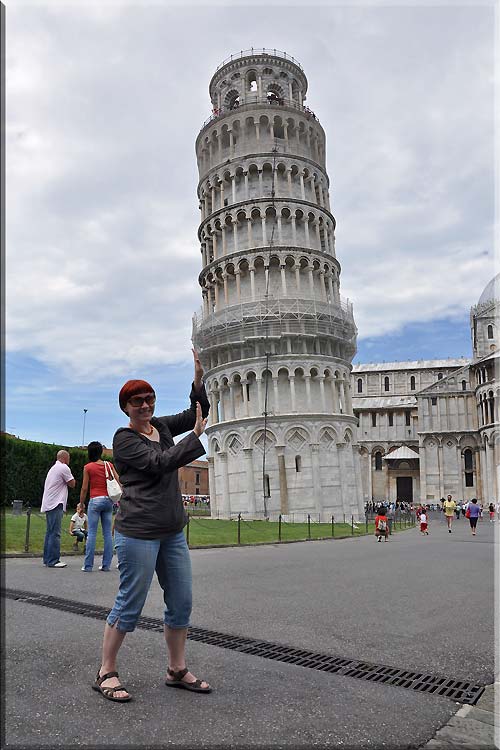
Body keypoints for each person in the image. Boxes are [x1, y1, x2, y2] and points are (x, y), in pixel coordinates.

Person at [92, 349, 211, 703]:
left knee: (181, 602)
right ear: (126, 408)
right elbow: (159, 463)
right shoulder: (124, 439)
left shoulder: (161, 426)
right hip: (138, 531)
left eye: (149, 398)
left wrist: (198, 380)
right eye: (137, 401)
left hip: (171, 531)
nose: (145, 405)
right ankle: (106, 671)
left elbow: (196, 412)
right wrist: (194, 438)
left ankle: (176, 669)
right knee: (130, 602)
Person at [80, 441, 120, 572]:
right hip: (108, 501)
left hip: (95, 500)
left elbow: (84, 488)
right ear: (101, 452)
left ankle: (88, 565)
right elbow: (118, 480)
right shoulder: (109, 465)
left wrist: (81, 503)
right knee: (107, 533)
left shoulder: (88, 467)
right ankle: (106, 565)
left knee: (92, 533)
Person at [41, 450, 76, 568]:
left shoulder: (54, 468)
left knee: (50, 532)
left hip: (49, 503)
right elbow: (72, 483)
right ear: (65, 458)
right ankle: (53, 560)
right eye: (69, 458)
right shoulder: (63, 468)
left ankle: (47, 559)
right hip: (56, 503)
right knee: (55, 533)